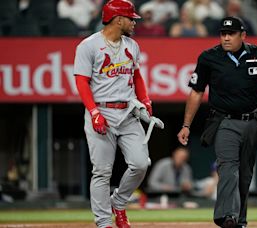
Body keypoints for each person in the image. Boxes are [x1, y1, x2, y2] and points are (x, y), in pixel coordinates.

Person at [177, 16, 257, 228]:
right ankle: (227, 217)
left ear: (242, 35)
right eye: (223, 34)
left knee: (245, 175)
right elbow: (196, 92)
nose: (226, 38)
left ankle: (239, 221)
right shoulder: (209, 57)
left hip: (252, 121)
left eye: (231, 34)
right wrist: (186, 125)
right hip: (224, 121)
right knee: (228, 168)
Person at [73, 0, 153, 227]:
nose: (134, 22)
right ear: (118, 19)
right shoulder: (88, 46)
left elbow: (137, 76)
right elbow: (81, 82)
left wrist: (145, 99)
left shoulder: (132, 45)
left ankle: (118, 202)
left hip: (128, 112)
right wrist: (94, 112)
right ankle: (103, 223)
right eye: (131, 18)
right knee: (102, 171)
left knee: (140, 163)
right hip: (101, 110)